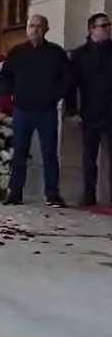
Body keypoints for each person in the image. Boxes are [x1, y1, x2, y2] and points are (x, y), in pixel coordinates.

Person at [1, 14, 71, 207]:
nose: (35, 29)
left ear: (46, 29)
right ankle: (15, 192)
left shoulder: (56, 53)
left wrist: (56, 95)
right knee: (19, 153)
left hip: (46, 111)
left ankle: (52, 193)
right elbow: (6, 76)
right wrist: (10, 95)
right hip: (22, 110)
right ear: (27, 29)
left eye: (39, 26)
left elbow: (67, 78)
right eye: (31, 25)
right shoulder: (17, 52)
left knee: (49, 153)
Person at [67, 12, 112, 206]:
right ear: (92, 29)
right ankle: (89, 195)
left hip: (111, 111)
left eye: (109, 25)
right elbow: (71, 86)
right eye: (103, 26)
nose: (108, 29)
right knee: (89, 157)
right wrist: (72, 111)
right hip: (89, 112)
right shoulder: (79, 55)